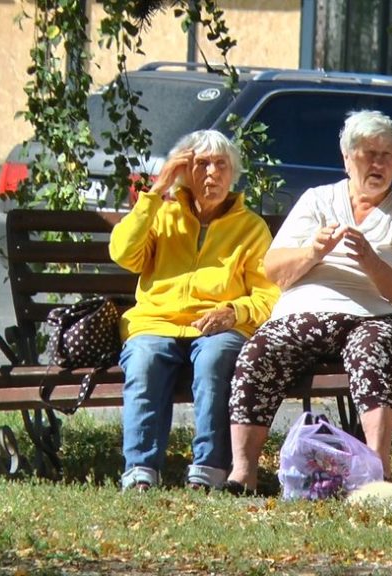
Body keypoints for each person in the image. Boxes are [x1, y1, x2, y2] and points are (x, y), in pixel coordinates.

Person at [225, 110, 392, 493]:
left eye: (387, 155)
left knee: (372, 348)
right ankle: (244, 472)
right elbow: (274, 268)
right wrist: (313, 252)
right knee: (260, 349)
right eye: (368, 153)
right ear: (346, 158)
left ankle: (377, 476)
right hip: (305, 311)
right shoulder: (317, 201)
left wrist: (372, 262)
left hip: (377, 316)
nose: (378, 163)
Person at [109, 130, 280, 492]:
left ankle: (210, 469)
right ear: (184, 172)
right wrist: (156, 191)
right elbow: (123, 254)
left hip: (218, 326)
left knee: (215, 360)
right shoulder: (162, 215)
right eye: (201, 165)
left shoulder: (251, 228)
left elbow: (268, 296)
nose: (212, 174)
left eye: (221, 165)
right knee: (144, 360)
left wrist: (234, 311)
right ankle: (140, 469)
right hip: (156, 321)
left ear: (233, 173)